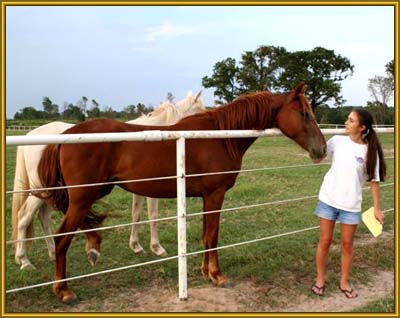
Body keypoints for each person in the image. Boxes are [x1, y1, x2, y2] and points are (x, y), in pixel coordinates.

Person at [311, 109, 386, 299]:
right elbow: (318, 158)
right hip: (328, 200)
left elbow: (374, 180)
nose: (346, 122)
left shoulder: (370, 151)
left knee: (347, 245)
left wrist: (377, 208)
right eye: (347, 119)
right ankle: (320, 279)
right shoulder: (337, 141)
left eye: (351, 121)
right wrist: (308, 146)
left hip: (351, 206)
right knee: (325, 242)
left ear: (362, 127)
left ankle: (344, 282)